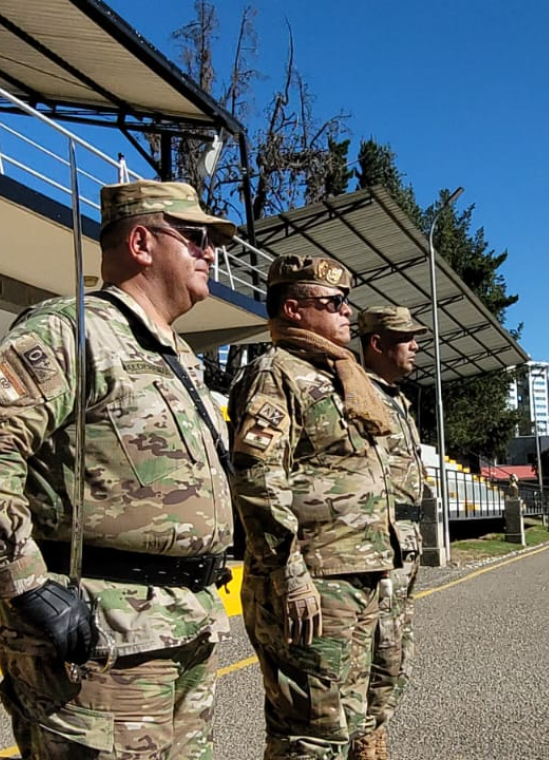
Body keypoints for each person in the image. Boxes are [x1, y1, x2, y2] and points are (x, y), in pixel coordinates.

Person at [0, 180, 236, 760]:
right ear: (142, 243)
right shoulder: (71, 332)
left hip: (182, 627)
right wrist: (26, 585)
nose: (210, 252)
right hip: (99, 641)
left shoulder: (175, 355)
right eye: (195, 237)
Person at [228, 255, 397, 760]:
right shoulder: (274, 374)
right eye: (335, 303)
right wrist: (290, 575)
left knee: (350, 721)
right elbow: (258, 478)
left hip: (357, 574)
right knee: (308, 734)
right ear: (295, 309)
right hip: (313, 583)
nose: (348, 313)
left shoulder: (340, 376)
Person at [352, 306, 430, 760]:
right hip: (380, 539)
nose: (415, 346)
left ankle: (375, 736)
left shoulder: (395, 397)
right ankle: (365, 742)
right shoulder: (359, 393)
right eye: (405, 338)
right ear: (376, 344)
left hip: (406, 541)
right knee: (379, 648)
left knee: (398, 650)